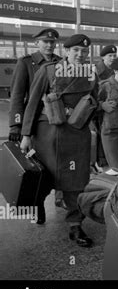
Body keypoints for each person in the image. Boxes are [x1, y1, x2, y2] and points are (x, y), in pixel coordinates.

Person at [20, 34, 98, 247]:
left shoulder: (91, 73)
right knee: (44, 177)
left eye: (84, 52)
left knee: (76, 181)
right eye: (75, 51)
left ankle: (75, 225)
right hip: (48, 134)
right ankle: (38, 205)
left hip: (76, 133)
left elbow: (95, 101)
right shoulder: (48, 71)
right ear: (66, 51)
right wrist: (26, 135)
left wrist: (87, 118)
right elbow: (33, 103)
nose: (80, 55)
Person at [8, 28, 62, 223]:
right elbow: (17, 96)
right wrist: (16, 126)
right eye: (45, 42)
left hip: (56, 123)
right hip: (34, 125)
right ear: (37, 43)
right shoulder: (26, 63)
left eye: (52, 42)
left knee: (58, 165)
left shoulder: (60, 63)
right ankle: (37, 203)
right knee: (39, 167)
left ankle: (60, 199)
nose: (49, 45)